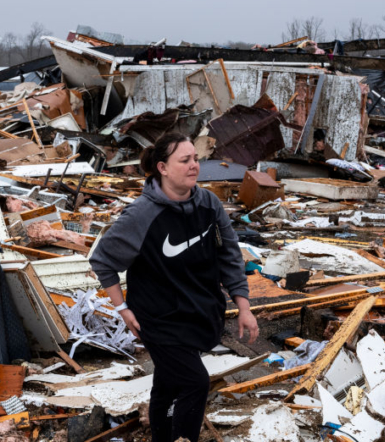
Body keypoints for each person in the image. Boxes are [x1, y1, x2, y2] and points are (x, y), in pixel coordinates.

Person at [89, 133, 259, 442]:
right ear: (163, 168)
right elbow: (102, 261)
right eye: (185, 160)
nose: (195, 165)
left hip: (197, 311)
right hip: (157, 317)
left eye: (195, 158)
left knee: (168, 383)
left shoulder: (209, 203)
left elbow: (230, 255)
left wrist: (243, 306)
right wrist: (122, 309)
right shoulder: (141, 215)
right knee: (195, 382)